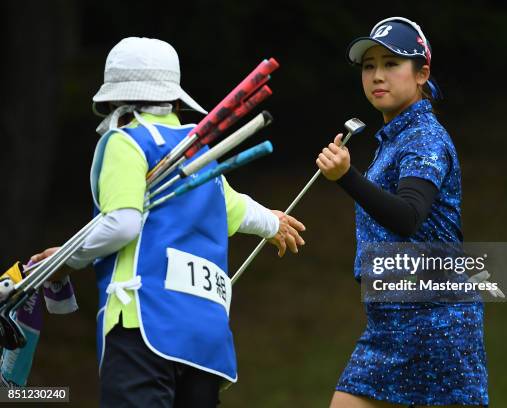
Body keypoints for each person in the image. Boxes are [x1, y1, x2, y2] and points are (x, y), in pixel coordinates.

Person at [30, 37, 306, 408]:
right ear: (175, 100)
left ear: (113, 101)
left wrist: (66, 257)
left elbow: (123, 224)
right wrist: (271, 224)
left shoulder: (125, 142)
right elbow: (233, 208)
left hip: (144, 325)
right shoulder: (199, 152)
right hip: (206, 340)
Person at [316, 18, 488, 407]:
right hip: (392, 322)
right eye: (368, 65)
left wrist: (347, 177)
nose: (377, 75)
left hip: (436, 322)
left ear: (422, 73)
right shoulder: (393, 140)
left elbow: (409, 216)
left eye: (391, 64)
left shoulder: (424, 136)